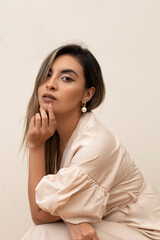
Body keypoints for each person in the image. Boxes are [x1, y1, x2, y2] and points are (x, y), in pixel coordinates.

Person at [20, 44, 160, 240]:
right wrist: (70, 216)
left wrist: (35, 146)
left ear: (87, 94)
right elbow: (52, 206)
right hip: (111, 227)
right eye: (48, 75)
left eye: (66, 78)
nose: (50, 84)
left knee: (42, 233)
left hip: (144, 232)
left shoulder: (95, 144)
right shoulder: (53, 135)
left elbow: (40, 215)